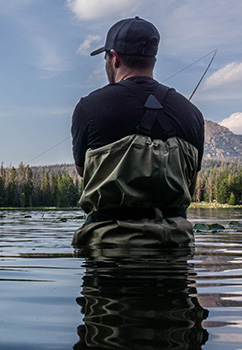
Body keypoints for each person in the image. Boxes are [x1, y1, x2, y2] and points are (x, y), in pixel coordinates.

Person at [71, 17, 204, 248]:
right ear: (152, 59)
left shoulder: (89, 107)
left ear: (115, 57)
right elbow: (190, 186)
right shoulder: (192, 113)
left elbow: (84, 172)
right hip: (175, 250)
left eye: (106, 58)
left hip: (108, 252)